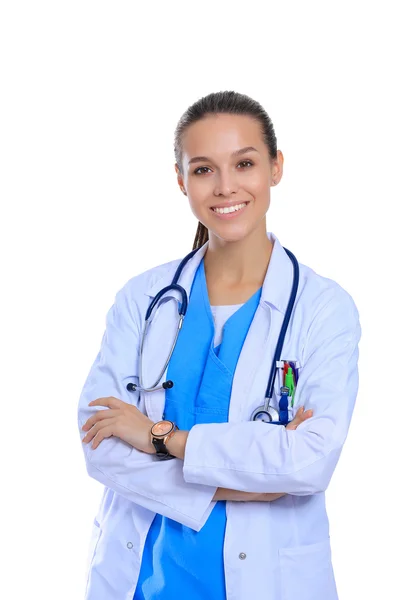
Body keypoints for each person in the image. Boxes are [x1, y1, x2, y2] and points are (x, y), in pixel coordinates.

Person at [78, 90, 361, 600]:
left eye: (245, 163)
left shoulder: (324, 308)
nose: (226, 186)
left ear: (276, 167)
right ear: (180, 179)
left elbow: (310, 462)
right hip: (141, 580)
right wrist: (252, 478)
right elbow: (101, 448)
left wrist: (160, 438)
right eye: (204, 169)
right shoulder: (142, 299)